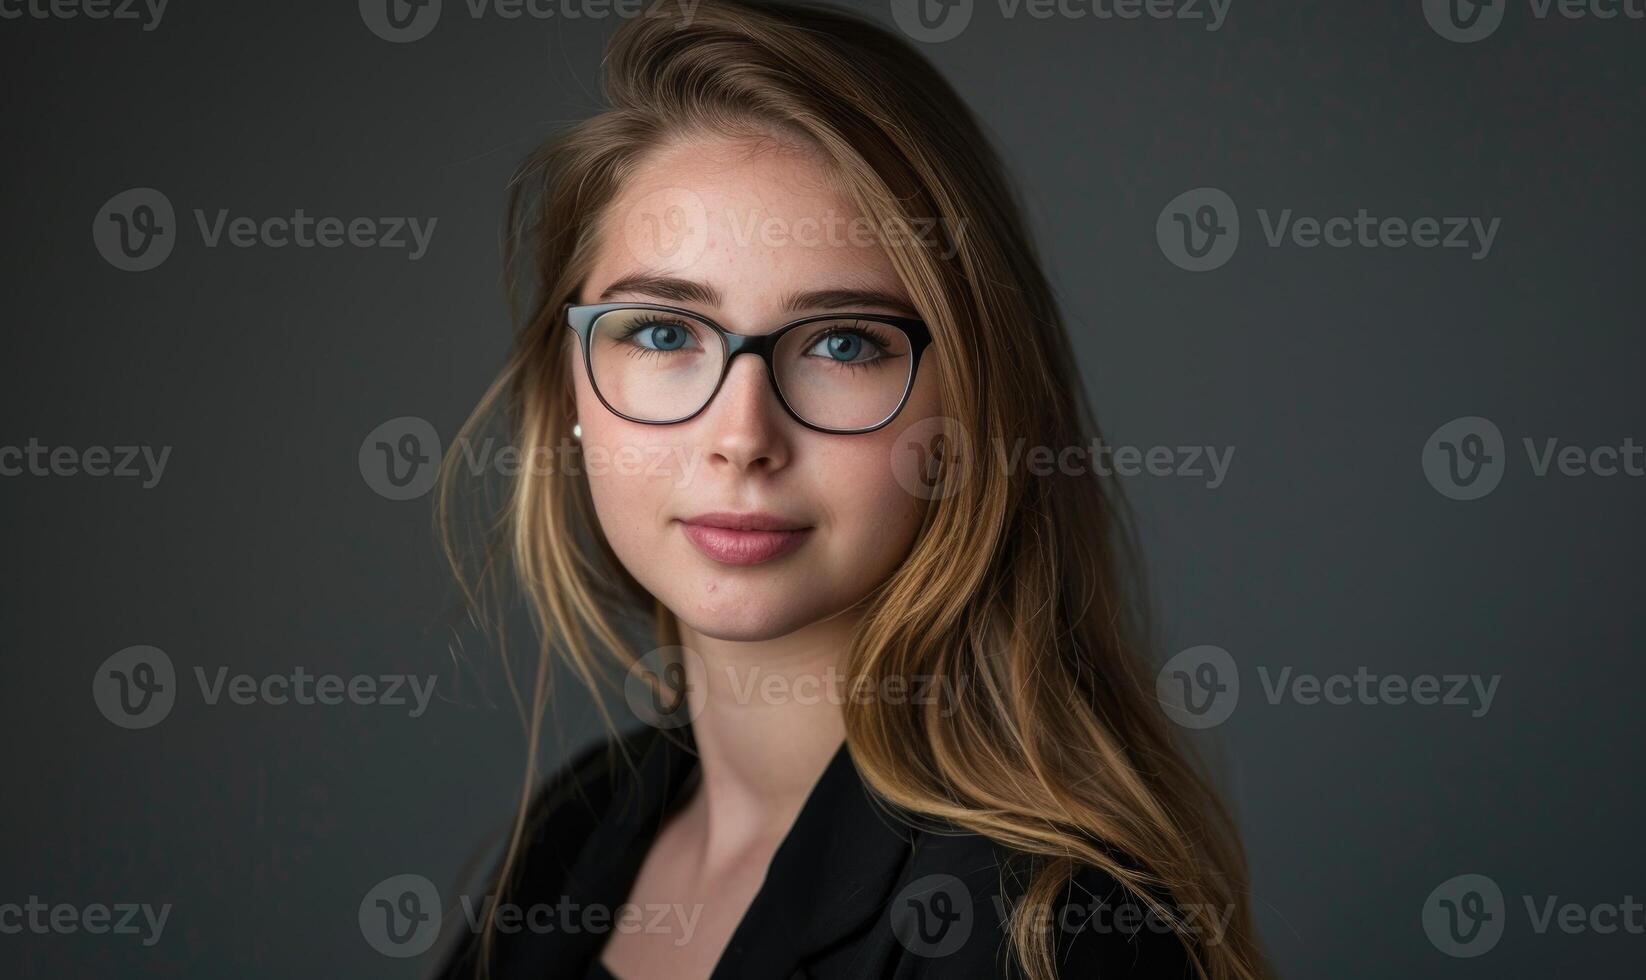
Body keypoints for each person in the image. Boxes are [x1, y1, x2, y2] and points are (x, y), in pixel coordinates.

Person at [433, 2, 1268, 977]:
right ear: (568, 385)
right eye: (662, 332)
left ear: (968, 411)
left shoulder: (1045, 926)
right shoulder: (573, 834)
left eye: (841, 343)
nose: (742, 437)